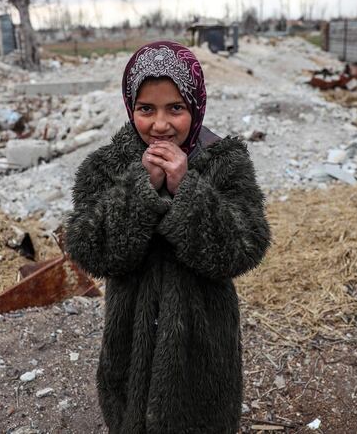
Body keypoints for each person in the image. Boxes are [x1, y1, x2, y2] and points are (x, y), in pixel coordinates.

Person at [65, 40, 271, 434]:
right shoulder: (106, 165)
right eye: (146, 109)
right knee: (129, 415)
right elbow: (88, 247)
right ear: (130, 107)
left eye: (175, 108)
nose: (160, 125)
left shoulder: (224, 162)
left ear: (195, 105)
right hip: (130, 340)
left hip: (203, 341)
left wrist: (187, 189)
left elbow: (246, 247)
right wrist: (141, 188)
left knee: (201, 419)